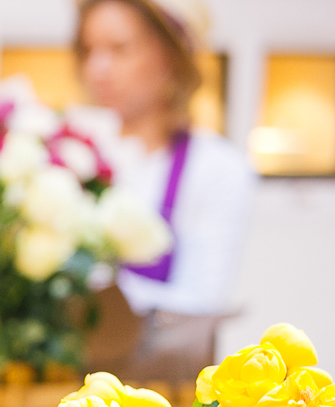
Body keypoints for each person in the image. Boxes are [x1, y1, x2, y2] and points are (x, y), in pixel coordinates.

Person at [76, 0, 256, 377]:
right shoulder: (71, 152)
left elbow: (203, 300)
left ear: (172, 57)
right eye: (89, 50)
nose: (97, 69)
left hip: (161, 398)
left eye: (119, 49)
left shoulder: (217, 168)